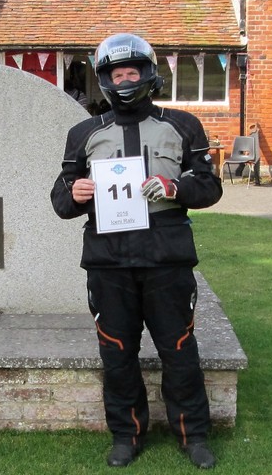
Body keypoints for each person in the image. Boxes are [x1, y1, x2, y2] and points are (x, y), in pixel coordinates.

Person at [50, 33, 223, 469]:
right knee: (116, 352)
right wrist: (77, 193)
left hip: (167, 258)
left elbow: (210, 186)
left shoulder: (183, 125)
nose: (124, 80)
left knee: (179, 349)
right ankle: (126, 435)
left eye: (132, 72)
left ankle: (193, 435)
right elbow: (61, 199)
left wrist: (175, 187)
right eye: (116, 74)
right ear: (104, 80)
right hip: (109, 261)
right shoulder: (84, 133)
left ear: (149, 74)